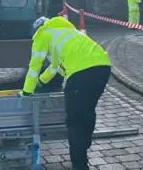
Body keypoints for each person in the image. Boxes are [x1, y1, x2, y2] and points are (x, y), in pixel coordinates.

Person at [18, 16, 112, 170]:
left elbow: (34, 66)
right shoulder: (66, 31)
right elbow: (53, 67)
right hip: (103, 67)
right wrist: (40, 83)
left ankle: (79, 164)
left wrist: (27, 92)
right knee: (87, 110)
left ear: (36, 29)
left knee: (74, 120)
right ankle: (83, 148)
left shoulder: (42, 34)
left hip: (81, 73)